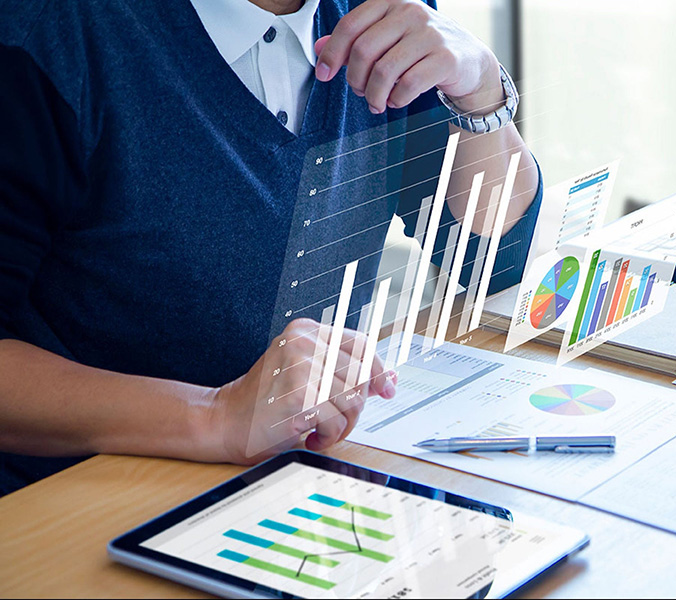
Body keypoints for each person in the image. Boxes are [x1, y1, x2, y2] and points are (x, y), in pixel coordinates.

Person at [0, 0, 541, 495]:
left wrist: (480, 88)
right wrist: (216, 415)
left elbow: (495, 259)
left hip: (304, 478)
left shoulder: (381, 15)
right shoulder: (47, 37)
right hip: (81, 504)